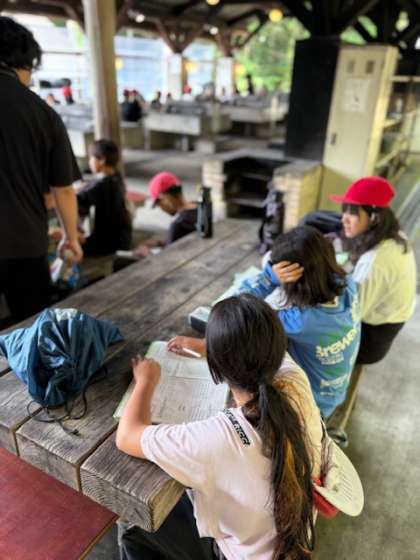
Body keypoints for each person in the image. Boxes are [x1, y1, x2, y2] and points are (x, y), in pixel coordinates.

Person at [116, 293, 323, 560]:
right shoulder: (294, 378)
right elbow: (262, 345)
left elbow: (127, 435)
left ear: (216, 366)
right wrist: (207, 345)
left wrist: (146, 381)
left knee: (132, 523)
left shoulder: (219, 437)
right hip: (295, 540)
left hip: (239, 555)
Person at [0, 16, 82, 323]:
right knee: (32, 329)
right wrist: (70, 237)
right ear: (22, 63)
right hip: (24, 244)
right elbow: (63, 190)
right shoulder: (42, 114)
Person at [236, 226, 361, 419]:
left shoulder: (301, 322)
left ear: (296, 279)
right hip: (334, 392)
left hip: (311, 406)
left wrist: (269, 278)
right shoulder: (348, 284)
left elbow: (237, 310)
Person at [329, 176, 417, 365]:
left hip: (370, 341)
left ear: (375, 217)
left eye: (352, 213)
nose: (344, 219)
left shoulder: (375, 262)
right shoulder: (396, 236)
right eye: (344, 210)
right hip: (387, 324)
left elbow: (349, 318)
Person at [77, 139, 132, 256]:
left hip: (107, 244)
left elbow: (78, 199)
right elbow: (94, 186)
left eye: (91, 158)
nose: (89, 162)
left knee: (71, 246)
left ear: (102, 160)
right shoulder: (116, 176)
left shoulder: (102, 185)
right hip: (122, 238)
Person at [134, 172, 197, 257]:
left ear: (164, 197)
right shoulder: (199, 207)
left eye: (158, 204)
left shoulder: (179, 224)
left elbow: (165, 260)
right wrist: (160, 243)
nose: (161, 208)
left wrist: (145, 253)